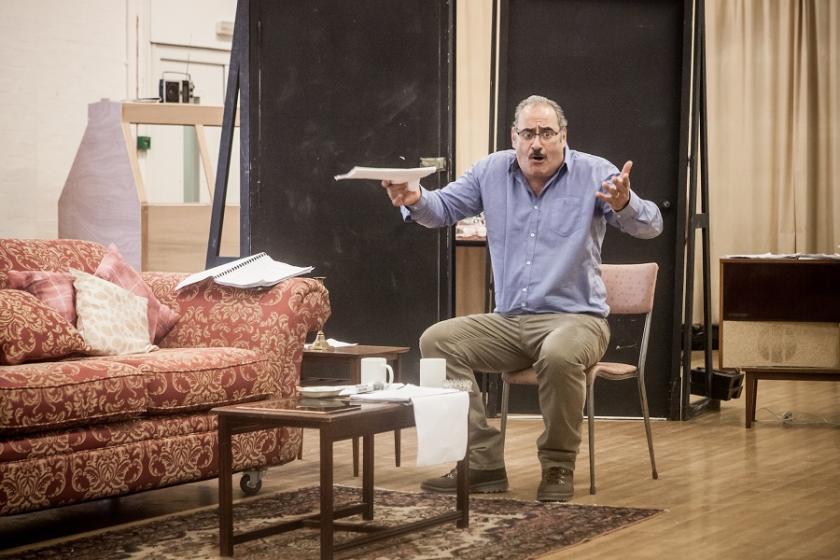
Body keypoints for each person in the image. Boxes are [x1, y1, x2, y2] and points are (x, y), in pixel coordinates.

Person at [381, 94, 663, 502]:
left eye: (546, 133)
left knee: (559, 353)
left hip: (578, 321)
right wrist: (415, 199)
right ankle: (482, 461)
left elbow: (651, 225)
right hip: (510, 322)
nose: (537, 143)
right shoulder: (490, 171)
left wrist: (625, 203)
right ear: (514, 138)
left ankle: (558, 465)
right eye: (528, 134)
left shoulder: (594, 172)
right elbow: (441, 208)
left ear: (563, 137)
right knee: (437, 342)